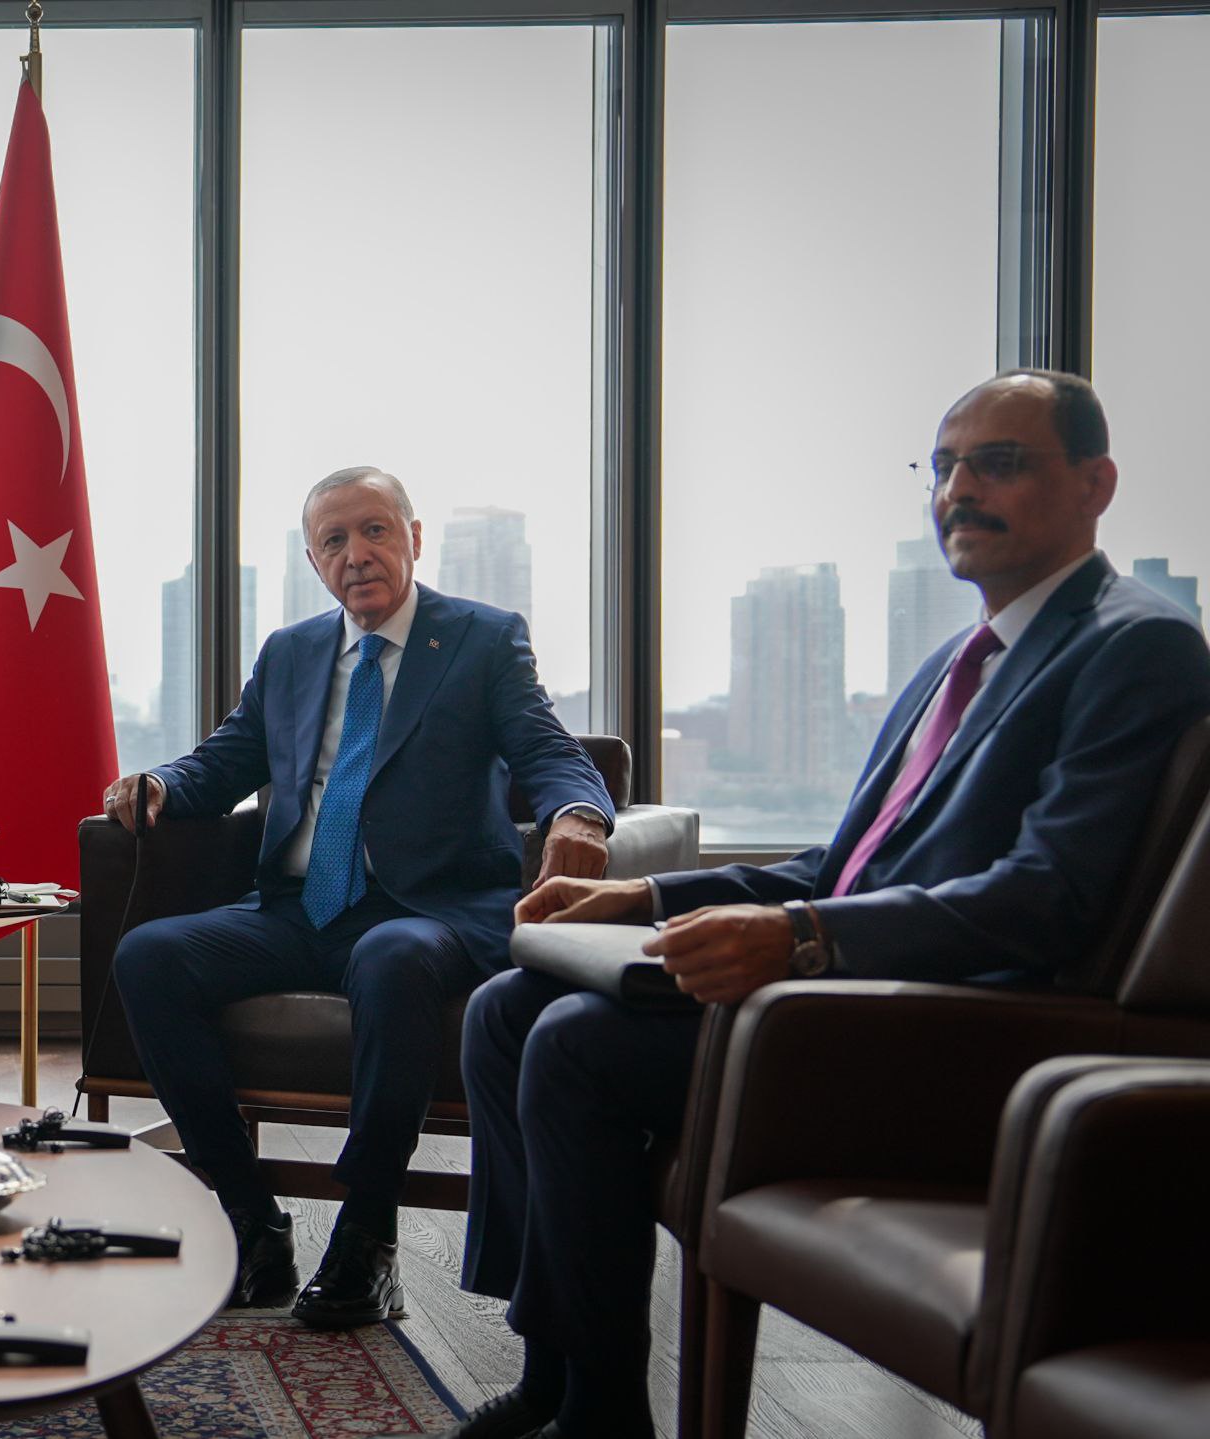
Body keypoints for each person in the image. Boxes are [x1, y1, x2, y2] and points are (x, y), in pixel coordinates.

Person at [444, 370, 1210, 1439]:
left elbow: (1048, 900)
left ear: (1096, 483)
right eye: (941, 466)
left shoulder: (1137, 643)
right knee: (506, 1005)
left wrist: (802, 940)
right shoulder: (956, 660)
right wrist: (643, 892)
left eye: (997, 462)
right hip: (845, 993)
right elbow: (842, 862)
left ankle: (602, 1410)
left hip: (942, 1033)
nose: (956, 490)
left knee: (577, 1043)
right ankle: (562, 1373)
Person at [102, 466, 615, 1328]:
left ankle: (368, 1232)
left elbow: (547, 749)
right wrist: (159, 783)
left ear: (416, 537)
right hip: (296, 907)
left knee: (390, 955)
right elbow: (226, 761)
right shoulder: (291, 652)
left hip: (427, 910)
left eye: (375, 530)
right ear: (315, 560)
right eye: (334, 541)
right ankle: (249, 1215)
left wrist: (579, 814)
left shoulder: (483, 641)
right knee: (148, 955)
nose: (357, 554)